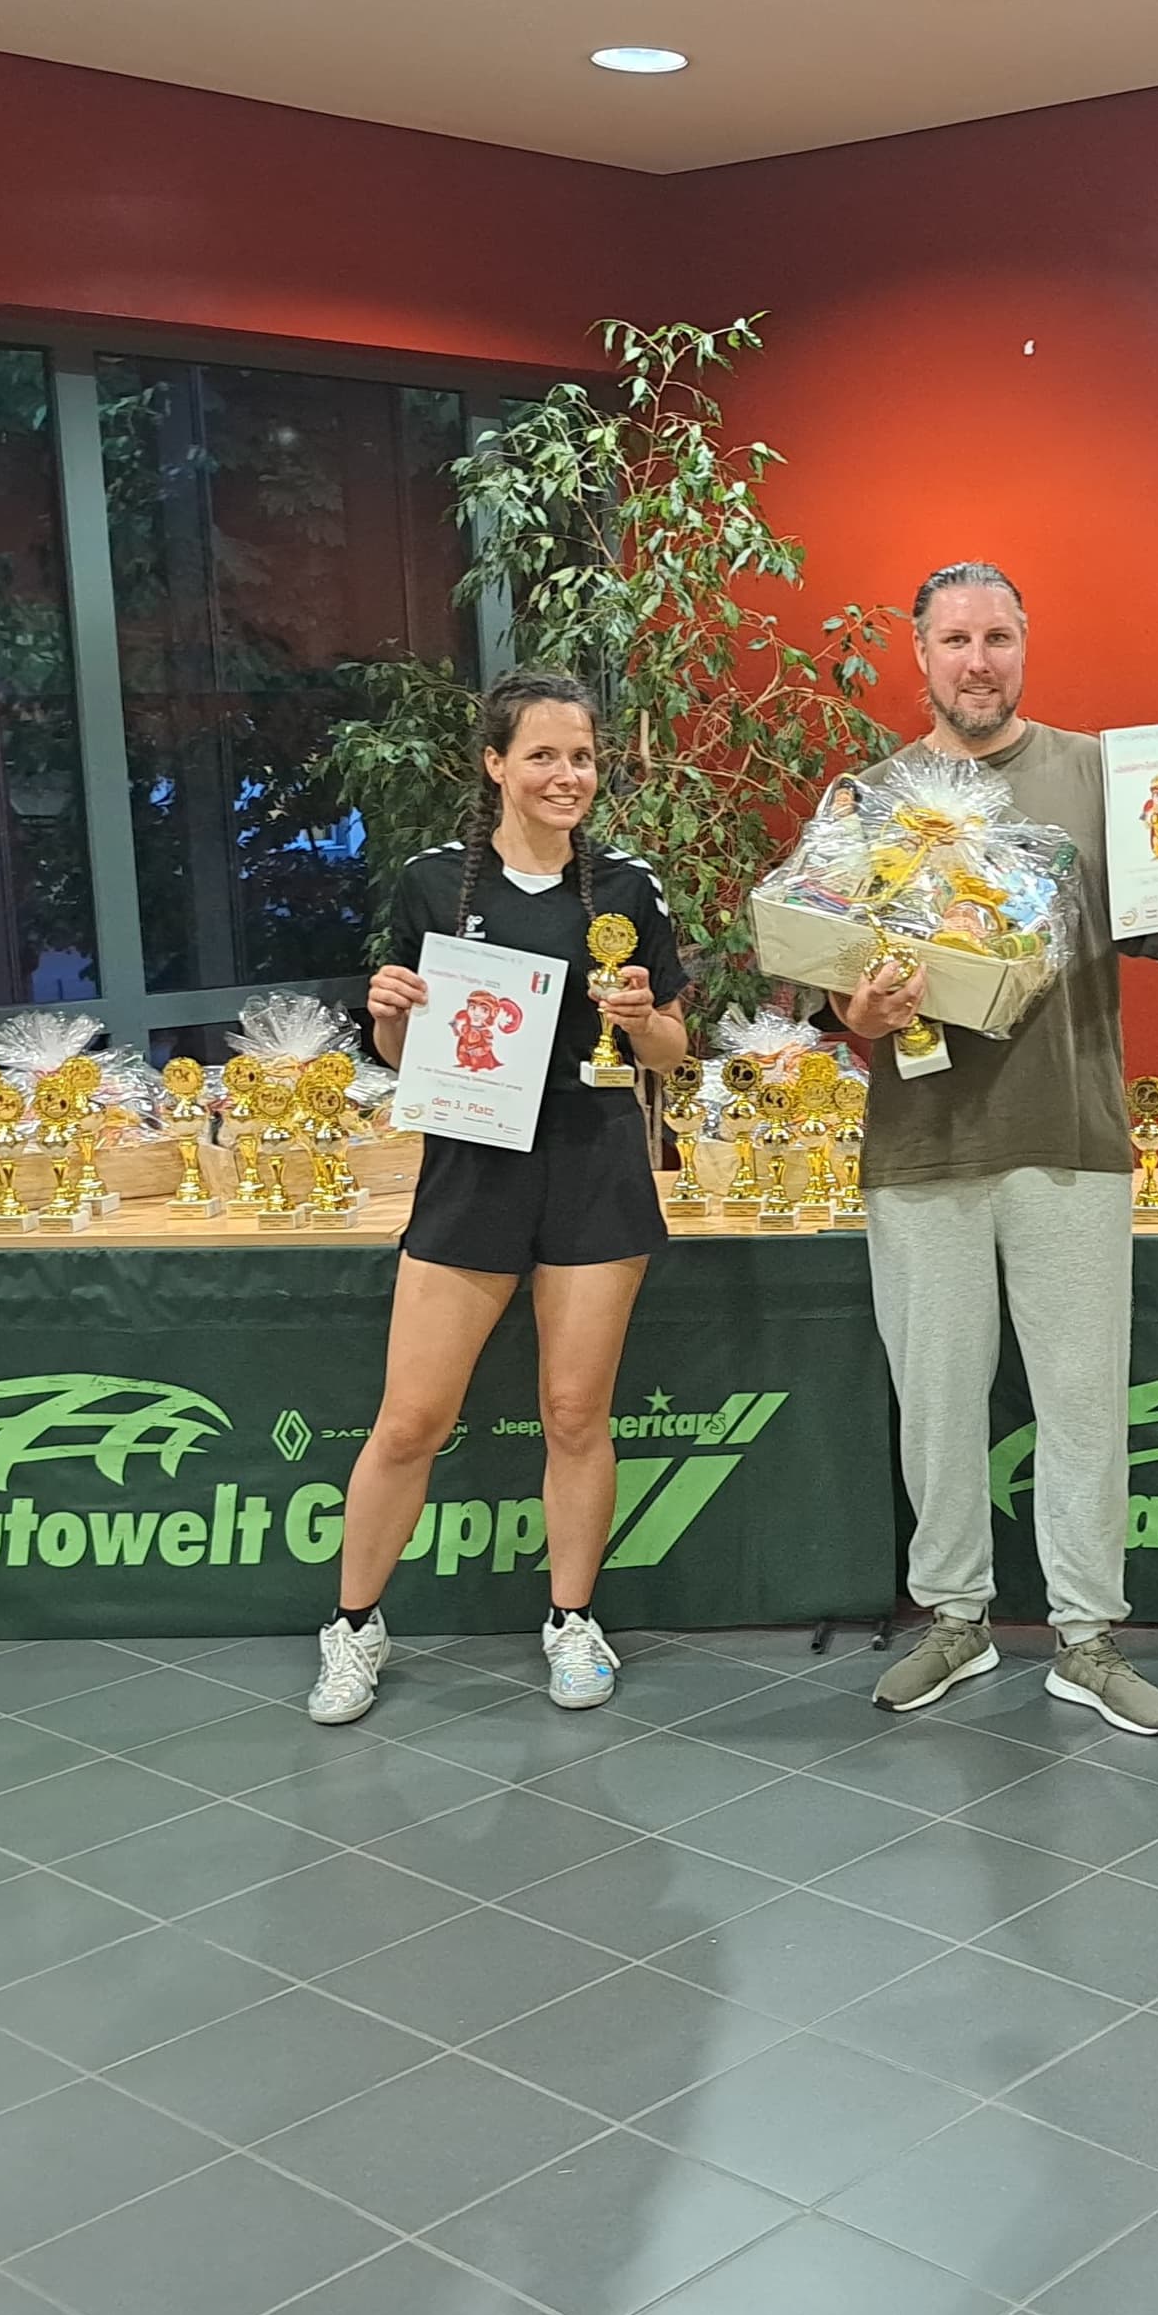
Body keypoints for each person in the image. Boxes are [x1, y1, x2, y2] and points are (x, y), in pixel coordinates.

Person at [834, 561, 1158, 1734]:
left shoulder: (1108, 778)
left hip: (1070, 1133)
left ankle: (1086, 1637)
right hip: (922, 1142)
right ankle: (954, 1619)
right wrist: (861, 1009)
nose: (978, 662)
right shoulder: (867, 801)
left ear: (1027, 645)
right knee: (935, 1403)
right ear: (919, 653)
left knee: (1082, 1403)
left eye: (999, 638)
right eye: (956, 640)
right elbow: (837, 989)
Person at [308, 670, 687, 1725]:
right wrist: (389, 1013)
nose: (568, 776)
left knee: (574, 1413)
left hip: (595, 1162)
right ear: (495, 764)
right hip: (472, 1167)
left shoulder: (629, 888)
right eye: (543, 756)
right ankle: (352, 1626)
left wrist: (643, 1018)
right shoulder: (432, 884)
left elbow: (669, 1050)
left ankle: (572, 1619)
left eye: (583, 757)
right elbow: (401, 1051)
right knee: (410, 1421)